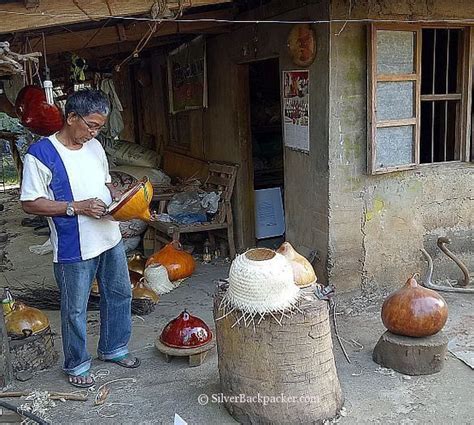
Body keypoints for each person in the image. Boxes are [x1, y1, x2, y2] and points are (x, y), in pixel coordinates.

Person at [20, 89, 140, 388]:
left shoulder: (96, 147)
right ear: (71, 117)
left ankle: (114, 348)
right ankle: (77, 363)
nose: (95, 132)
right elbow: (30, 202)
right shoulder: (41, 154)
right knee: (75, 308)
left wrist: (123, 198)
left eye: (99, 126)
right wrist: (77, 207)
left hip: (109, 236)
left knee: (120, 293)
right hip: (74, 245)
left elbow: (106, 184)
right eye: (91, 125)